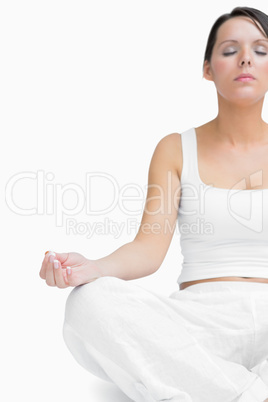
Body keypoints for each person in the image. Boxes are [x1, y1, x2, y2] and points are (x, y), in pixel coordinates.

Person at [39, 6, 268, 402]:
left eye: (261, 49)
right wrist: (93, 268)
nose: (246, 58)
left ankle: (204, 389)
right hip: (199, 322)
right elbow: (148, 249)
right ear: (208, 69)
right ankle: (247, 394)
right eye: (230, 50)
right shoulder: (176, 149)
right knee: (88, 304)